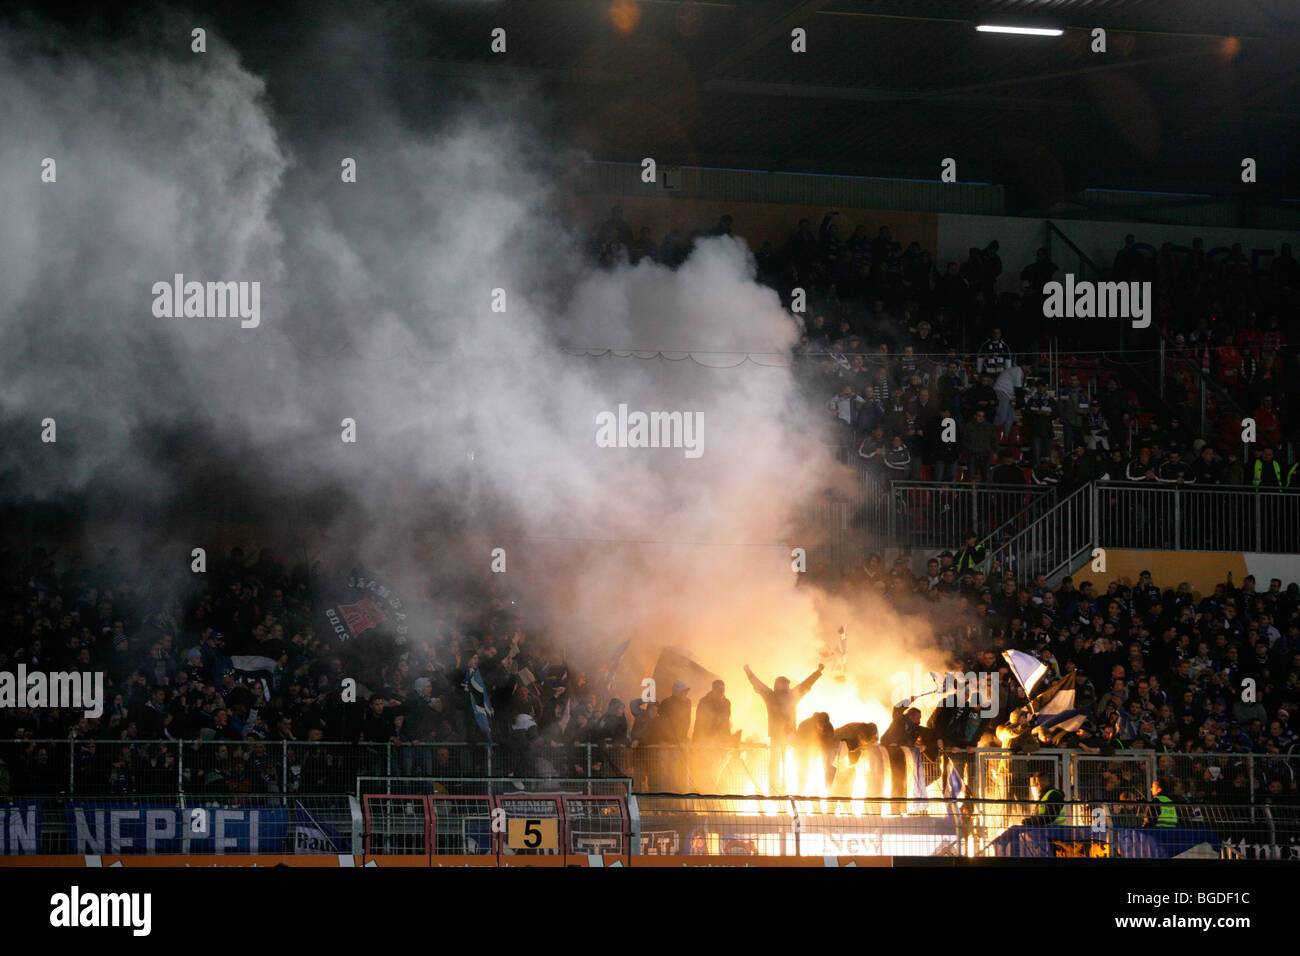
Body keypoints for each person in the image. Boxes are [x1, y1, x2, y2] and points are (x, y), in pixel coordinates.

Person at [744, 663, 824, 792]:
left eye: (787, 685)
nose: (787, 687)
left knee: (792, 760)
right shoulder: (772, 696)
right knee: (777, 762)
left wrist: (818, 672)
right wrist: (748, 671)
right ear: (778, 685)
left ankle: (793, 788)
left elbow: (806, 684)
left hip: (788, 735)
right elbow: (758, 684)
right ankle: (775, 788)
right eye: (785, 685)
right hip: (780, 736)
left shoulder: (787, 696)